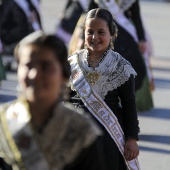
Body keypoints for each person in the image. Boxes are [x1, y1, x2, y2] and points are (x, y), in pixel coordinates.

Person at [0, 31, 106, 170]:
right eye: (28, 65)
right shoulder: (4, 121)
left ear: (63, 74)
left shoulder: (82, 130)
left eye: (45, 66)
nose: (35, 75)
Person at [68, 8, 140, 170]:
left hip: (108, 138)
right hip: (77, 134)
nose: (95, 37)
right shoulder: (73, 63)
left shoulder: (121, 66)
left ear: (111, 33)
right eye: (90, 32)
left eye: (101, 32)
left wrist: (131, 139)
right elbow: (64, 99)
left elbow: (129, 104)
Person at [69, 0, 154, 112]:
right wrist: (82, 37)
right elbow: (88, 14)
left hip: (126, 36)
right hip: (102, 34)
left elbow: (136, 16)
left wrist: (142, 39)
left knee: (134, 68)